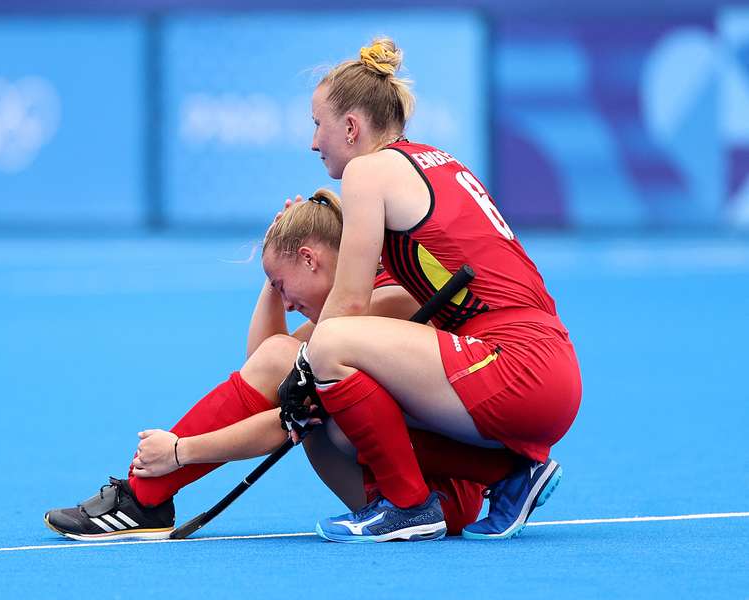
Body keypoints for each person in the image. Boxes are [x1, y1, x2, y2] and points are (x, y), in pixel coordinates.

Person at [43, 190, 498, 541]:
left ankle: (143, 499)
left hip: (434, 495)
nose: (287, 301)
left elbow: (284, 420)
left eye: (282, 284)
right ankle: (145, 498)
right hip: (401, 483)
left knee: (303, 394)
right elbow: (264, 367)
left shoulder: (388, 300)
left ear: (310, 258)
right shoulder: (347, 307)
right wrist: (274, 269)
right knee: (293, 373)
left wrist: (179, 452)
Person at [277, 38, 582, 543]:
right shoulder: (433, 161)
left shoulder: (366, 171)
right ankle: (508, 473)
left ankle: (409, 506)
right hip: (546, 366)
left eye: (317, 125)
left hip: (514, 365)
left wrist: (303, 366)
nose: (313, 143)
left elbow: (349, 309)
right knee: (343, 423)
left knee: (330, 349)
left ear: (351, 127)